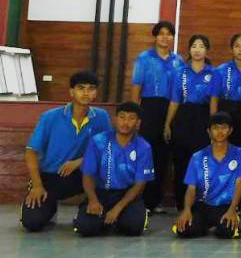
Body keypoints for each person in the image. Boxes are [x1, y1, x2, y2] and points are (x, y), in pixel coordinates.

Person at [21, 71, 111, 232]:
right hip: (51, 177)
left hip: (84, 176)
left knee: (89, 226)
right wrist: (37, 186)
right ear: (71, 92)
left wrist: (79, 162)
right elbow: (31, 152)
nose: (86, 93)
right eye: (81, 88)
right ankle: (49, 207)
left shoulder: (102, 117)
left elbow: (107, 151)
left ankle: (87, 209)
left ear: (96, 93)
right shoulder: (50, 117)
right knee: (32, 222)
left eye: (91, 88)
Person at [74, 102, 153, 237]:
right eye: (122, 117)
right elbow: (87, 175)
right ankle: (104, 219)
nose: (125, 122)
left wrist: (118, 208)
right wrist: (93, 200)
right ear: (115, 119)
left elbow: (140, 184)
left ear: (138, 123)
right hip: (101, 193)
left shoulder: (144, 147)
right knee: (85, 228)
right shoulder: (98, 141)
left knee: (134, 228)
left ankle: (125, 216)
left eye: (131, 118)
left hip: (127, 194)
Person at [129, 20, 184, 212]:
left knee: (163, 157)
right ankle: (141, 201)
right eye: (161, 33)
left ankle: (154, 202)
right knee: (147, 154)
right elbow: (136, 87)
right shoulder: (144, 58)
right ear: (155, 36)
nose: (165, 37)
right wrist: (135, 114)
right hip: (149, 108)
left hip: (171, 110)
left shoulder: (178, 61)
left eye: (169, 34)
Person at [164, 34, 218, 211]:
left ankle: (200, 203)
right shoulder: (179, 72)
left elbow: (213, 103)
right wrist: (167, 124)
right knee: (181, 160)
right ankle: (181, 204)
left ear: (207, 50)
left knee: (202, 161)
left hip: (204, 117)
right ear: (189, 50)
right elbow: (174, 101)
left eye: (201, 46)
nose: (197, 50)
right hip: (183, 117)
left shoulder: (214, 73)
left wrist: (213, 126)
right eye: (194, 46)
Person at [173, 112, 241, 239]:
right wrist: (186, 210)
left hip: (226, 206)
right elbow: (191, 188)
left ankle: (224, 224)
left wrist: (232, 210)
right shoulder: (197, 157)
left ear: (230, 130)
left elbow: (240, 183)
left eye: (224, 127)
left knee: (226, 232)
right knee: (184, 230)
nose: (219, 132)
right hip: (203, 205)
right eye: (215, 128)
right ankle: (202, 226)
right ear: (209, 131)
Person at [211, 34, 241, 152]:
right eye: (237, 46)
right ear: (232, 49)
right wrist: (213, 122)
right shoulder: (221, 70)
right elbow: (214, 98)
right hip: (225, 112)